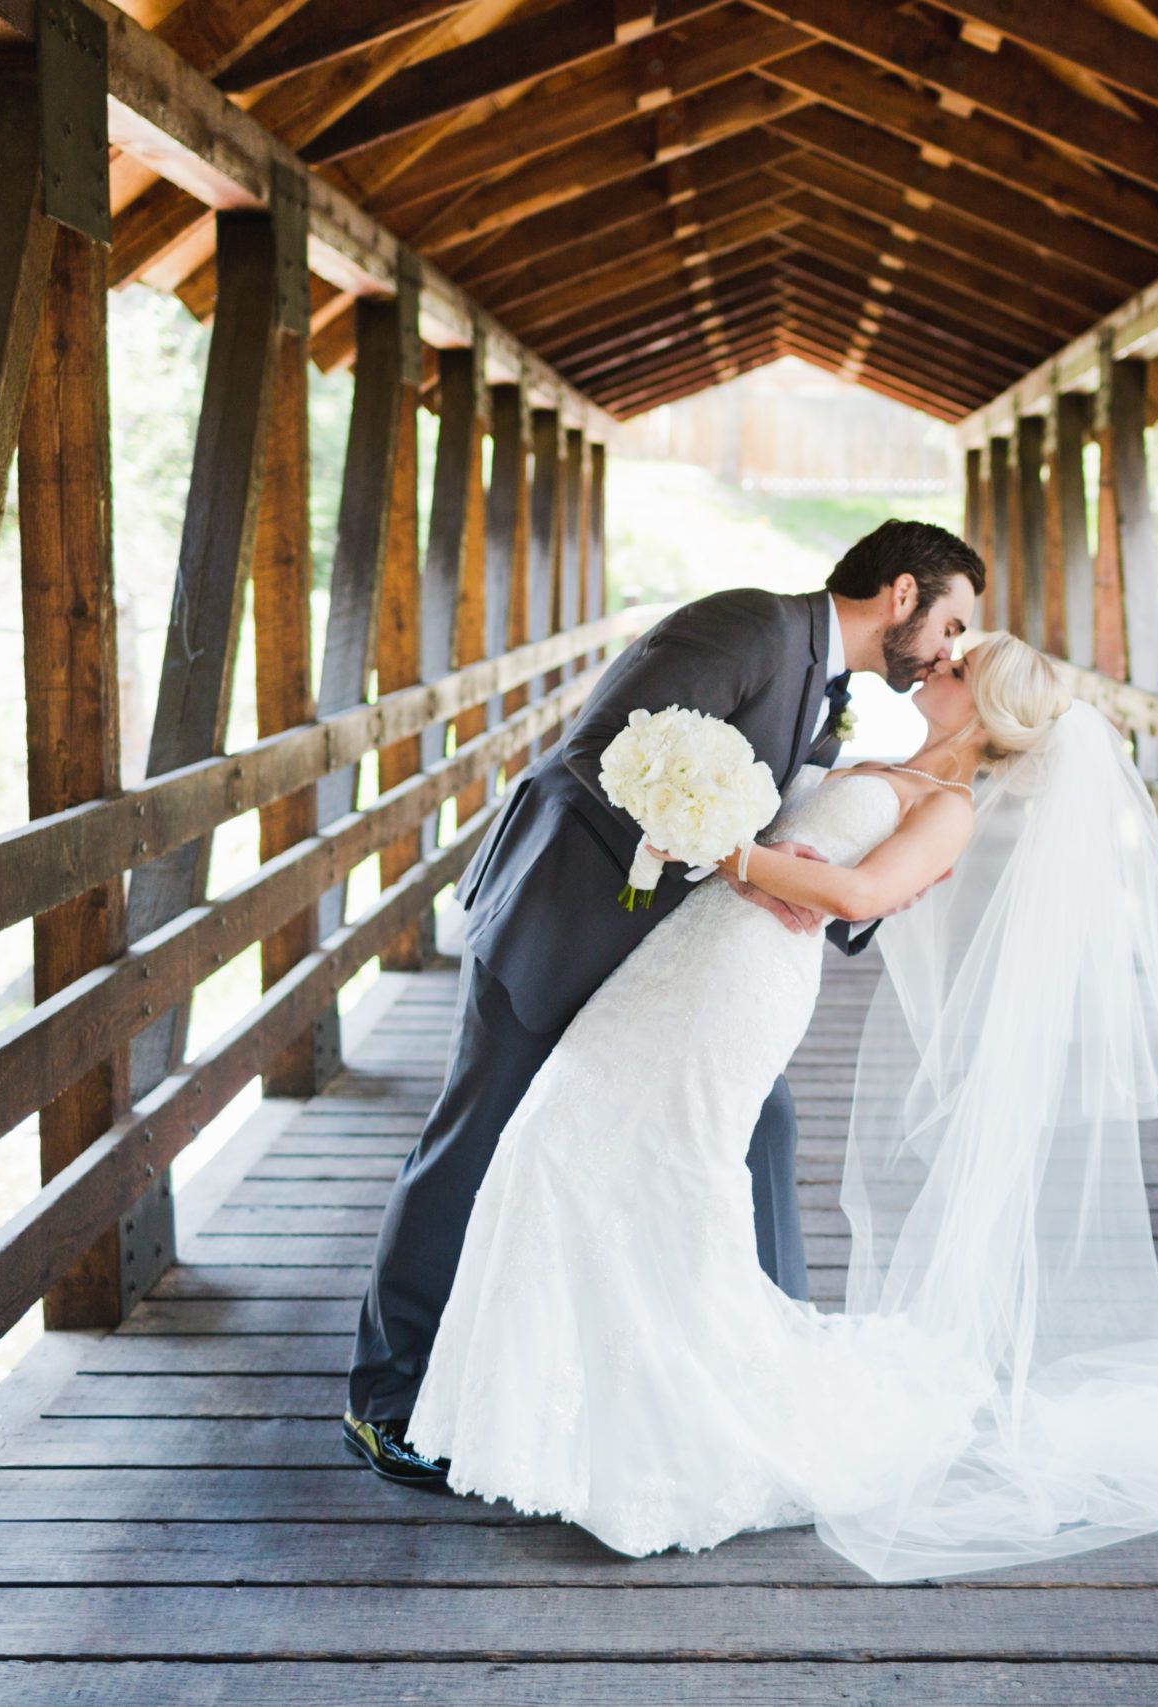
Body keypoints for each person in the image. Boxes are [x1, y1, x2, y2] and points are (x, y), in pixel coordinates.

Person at [407, 632, 1158, 1580]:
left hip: (746, 978)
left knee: (665, 1167)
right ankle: (571, 1415)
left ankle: (670, 1428)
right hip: (687, 954)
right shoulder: (881, 763)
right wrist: (717, 831)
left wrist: (733, 853)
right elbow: (801, 855)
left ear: (986, 708)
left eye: (958, 667)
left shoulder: (948, 808)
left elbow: (858, 893)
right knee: (557, 1132)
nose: (936, 664)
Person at [342, 520, 984, 1486]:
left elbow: (787, 824)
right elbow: (610, 754)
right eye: (952, 622)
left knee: (761, 1124)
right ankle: (385, 1400)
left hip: (663, 959)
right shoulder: (751, 627)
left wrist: (856, 885)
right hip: (558, 917)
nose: (948, 649)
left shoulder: (826, 687)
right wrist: (734, 854)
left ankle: (761, 1375)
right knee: (476, 1138)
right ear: (902, 594)